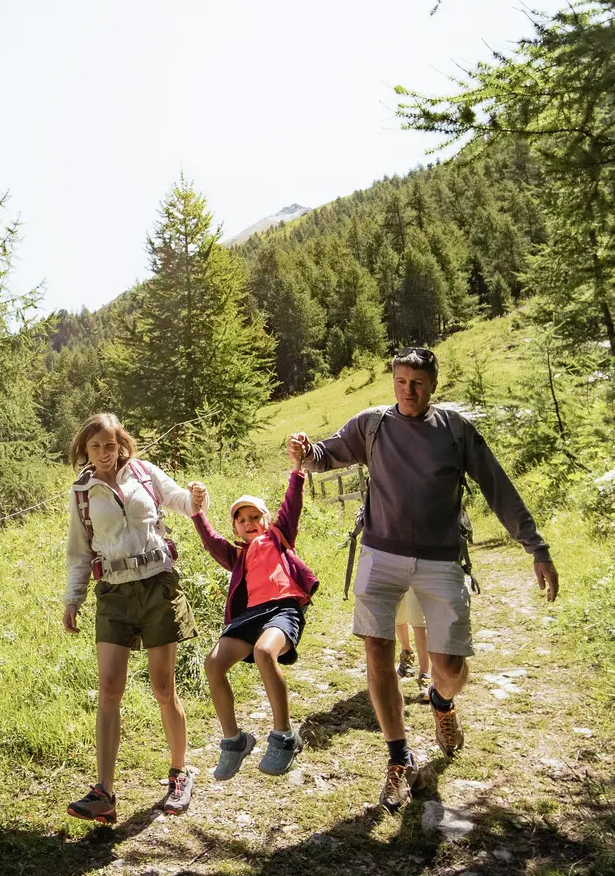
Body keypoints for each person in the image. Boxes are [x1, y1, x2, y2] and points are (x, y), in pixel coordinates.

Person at [288, 346, 559, 812]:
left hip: (441, 559)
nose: (408, 390)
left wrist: (537, 548)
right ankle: (398, 758)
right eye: (400, 381)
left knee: (450, 667)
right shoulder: (371, 424)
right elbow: (325, 456)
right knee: (377, 650)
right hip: (380, 555)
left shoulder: (454, 430)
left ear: (432, 384)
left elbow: (498, 487)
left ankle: (440, 699)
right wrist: (305, 451)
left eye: (417, 382)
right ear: (393, 382)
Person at [63, 413, 206, 825]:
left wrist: (196, 496)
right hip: (113, 592)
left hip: (159, 586)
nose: (105, 453)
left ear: (121, 444)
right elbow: (78, 551)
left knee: (164, 687)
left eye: (111, 445)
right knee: (109, 688)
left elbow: (181, 500)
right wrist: (73, 599)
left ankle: (180, 775)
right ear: (85, 450)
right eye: (96, 447)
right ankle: (103, 792)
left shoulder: (144, 472)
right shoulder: (82, 493)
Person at [191, 444, 319, 779]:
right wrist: (196, 511)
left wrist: (298, 470)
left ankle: (284, 735)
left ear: (267, 520)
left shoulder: (278, 537)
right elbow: (210, 540)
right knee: (214, 664)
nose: (249, 523)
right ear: (235, 528)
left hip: (283, 610)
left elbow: (292, 506)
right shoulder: (238, 557)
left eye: (255, 518)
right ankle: (234, 741)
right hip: (249, 617)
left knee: (265, 652)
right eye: (241, 520)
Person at [396, 590, 431, 703]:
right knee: (398, 614)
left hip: (417, 575)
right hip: (394, 574)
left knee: (419, 621)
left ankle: (425, 675)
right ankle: (406, 653)